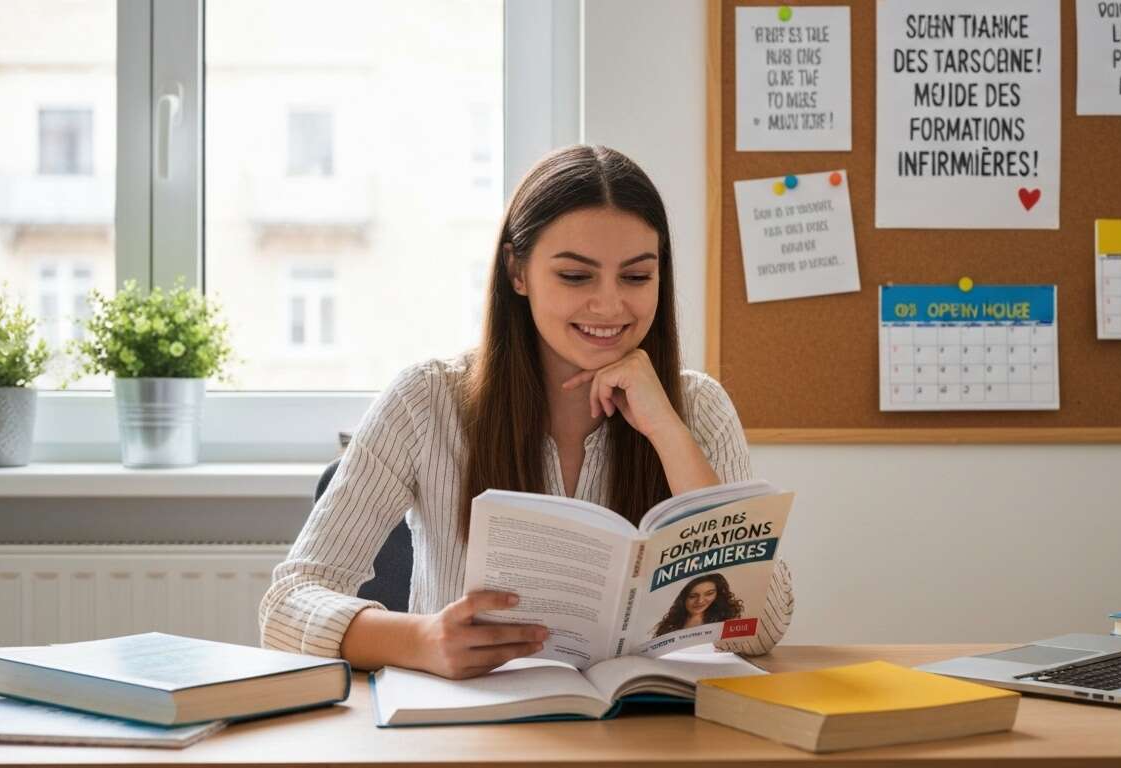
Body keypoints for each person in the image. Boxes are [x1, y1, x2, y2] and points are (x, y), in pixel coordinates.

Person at [258, 145, 792, 680]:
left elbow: (761, 628)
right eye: (576, 277)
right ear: (518, 271)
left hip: (640, 733)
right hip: (472, 735)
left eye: (635, 277)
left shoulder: (699, 407)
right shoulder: (425, 400)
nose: (609, 306)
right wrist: (418, 639)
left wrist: (668, 432)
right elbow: (286, 606)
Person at [652, 573, 744, 638]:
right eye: (692, 596)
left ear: (718, 594)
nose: (700, 601)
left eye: (709, 594)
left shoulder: (727, 619)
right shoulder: (670, 625)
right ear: (682, 598)